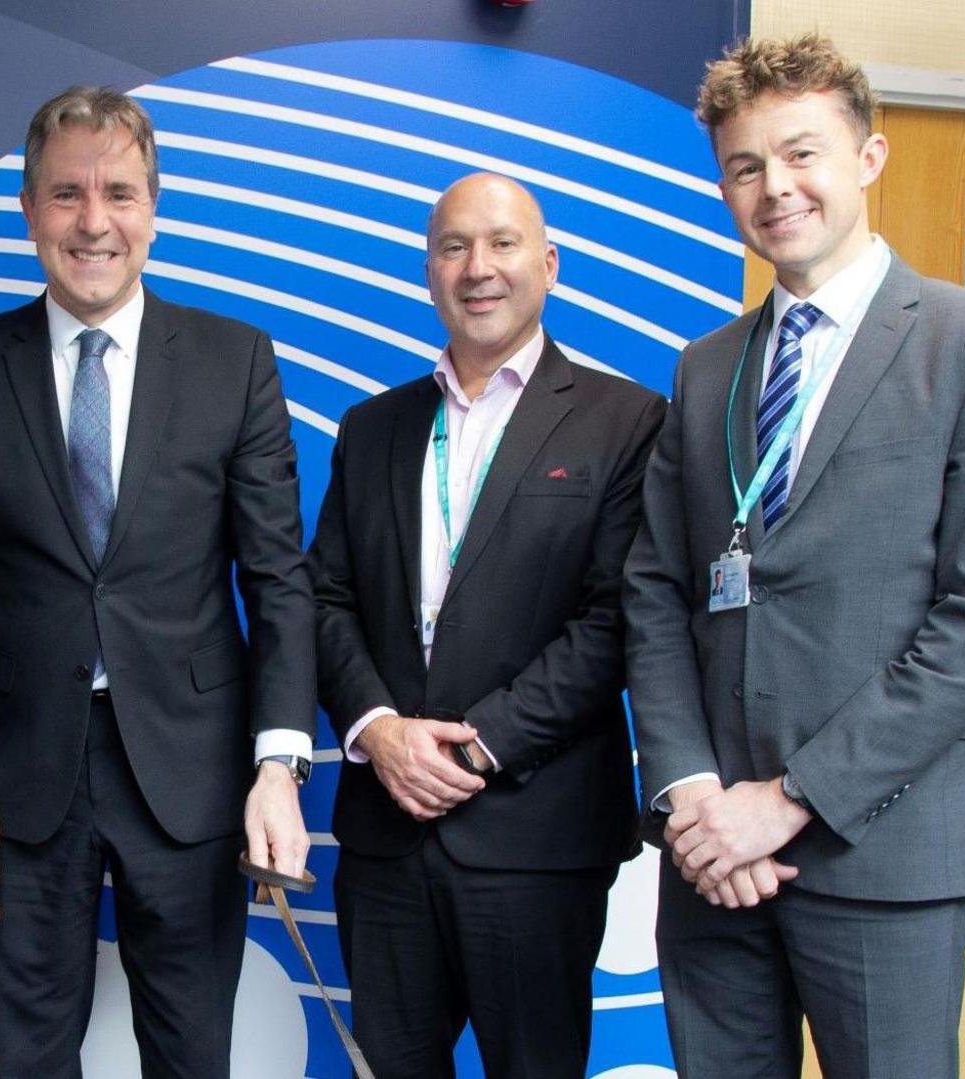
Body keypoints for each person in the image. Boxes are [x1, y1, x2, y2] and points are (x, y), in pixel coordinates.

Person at [625, 33, 965, 1077]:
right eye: (745, 166)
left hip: (877, 854)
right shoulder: (706, 368)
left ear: (870, 158)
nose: (774, 188)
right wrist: (694, 794)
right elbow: (658, 591)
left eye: (802, 154)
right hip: (712, 865)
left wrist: (788, 798)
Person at [0, 85, 315, 1078]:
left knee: (190, 1052)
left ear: (154, 207)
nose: (94, 222)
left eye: (120, 194)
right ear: (29, 209)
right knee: (30, 1052)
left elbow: (278, 579)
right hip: (21, 777)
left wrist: (278, 764)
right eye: (67, 194)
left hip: (194, 770)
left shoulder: (234, 362)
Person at [307, 173, 665, 1078]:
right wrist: (378, 732)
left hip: (536, 840)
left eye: (503, 244)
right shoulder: (374, 427)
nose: (479, 267)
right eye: (454, 246)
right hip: (387, 835)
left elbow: (615, 618)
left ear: (547, 265)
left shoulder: (626, 420)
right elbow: (325, 599)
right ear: (430, 270)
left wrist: (475, 749)